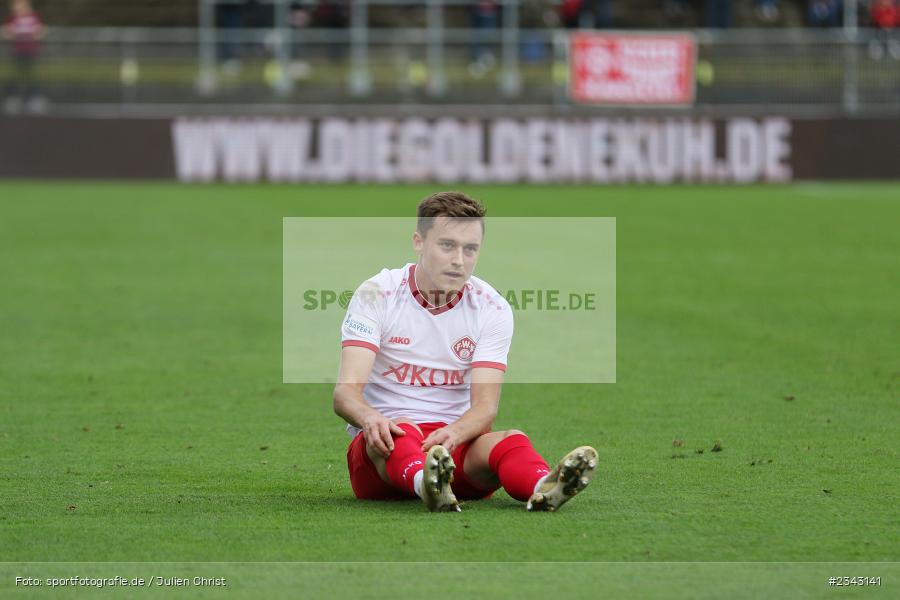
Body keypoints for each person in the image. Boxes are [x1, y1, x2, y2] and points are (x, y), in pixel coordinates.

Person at [333, 191, 598, 512]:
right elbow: (346, 394)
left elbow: (485, 408)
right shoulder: (378, 293)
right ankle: (426, 483)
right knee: (400, 431)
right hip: (382, 458)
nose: (459, 260)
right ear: (419, 241)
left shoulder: (491, 307)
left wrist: (455, 433)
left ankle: (544, 487)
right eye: (447, 245)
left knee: (511, 441)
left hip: (453, 448)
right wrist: (370, 417)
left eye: (470, 249)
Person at [2, 0, 44, 112]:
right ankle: (13, 98)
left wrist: (25, 33)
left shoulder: (33, 17)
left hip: (30, 52)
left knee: (31, 75)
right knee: (15, 75)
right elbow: (7, 32)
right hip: (17, 52)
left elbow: (39, 31)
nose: (17, 9)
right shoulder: (13, 18)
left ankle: (34, 99)